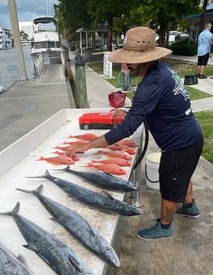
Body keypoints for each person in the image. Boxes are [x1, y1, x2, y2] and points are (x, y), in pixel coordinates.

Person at [65, 26, 204, 240]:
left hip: (178, 145)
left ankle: (164, 227)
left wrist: (87, 145)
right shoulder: (162, 70)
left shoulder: (152, 83)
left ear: (145, 59)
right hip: (192, 136)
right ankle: (189, 206)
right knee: (183, 176)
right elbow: (154, 105)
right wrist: (131, 111)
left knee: (169, 188)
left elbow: (127, 129)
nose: (126, 64)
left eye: (130, 60)